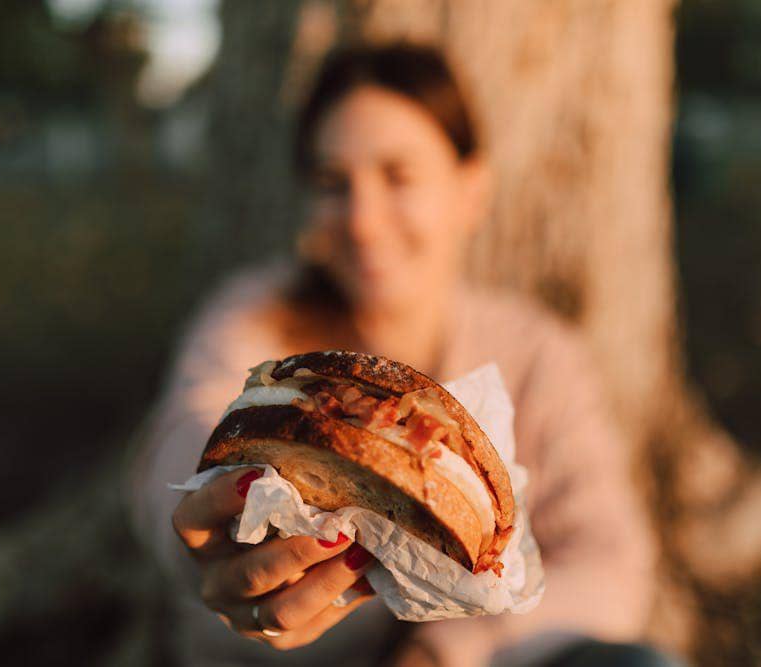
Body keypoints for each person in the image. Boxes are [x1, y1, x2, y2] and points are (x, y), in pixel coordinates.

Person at [128, 44, 681, 667]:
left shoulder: (535, 353)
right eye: (334, 183)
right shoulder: (255, 320)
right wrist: (209, 533)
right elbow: (186, 438)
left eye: (398, 176)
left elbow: (612, 565)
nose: (362, 221)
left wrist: (444, 649)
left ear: (472, 191)